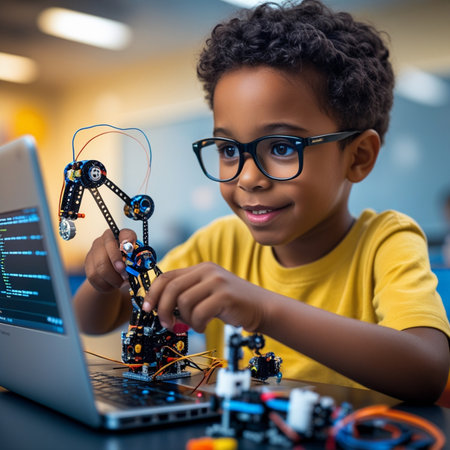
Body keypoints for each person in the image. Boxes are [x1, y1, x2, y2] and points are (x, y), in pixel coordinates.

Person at [73, 0, 450, 403]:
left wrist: (264, 310)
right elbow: (97, 321)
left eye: (283, 147)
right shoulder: (220, 243)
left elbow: (425, 371)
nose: (248, 178)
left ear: (357, 157)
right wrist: (102, 282)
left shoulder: (386, 241)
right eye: (229, 150)